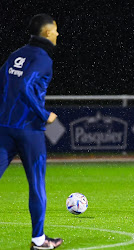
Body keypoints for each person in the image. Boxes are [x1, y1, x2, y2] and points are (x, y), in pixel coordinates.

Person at [0, 14, 63, 249]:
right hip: (29, 131)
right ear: (47, 33)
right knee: (36, 185)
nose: (57, 34)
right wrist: (44, 114)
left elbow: (3, 84)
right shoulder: (43, 58)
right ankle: (39, 240)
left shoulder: (16, 55)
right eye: (55, 29)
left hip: (4, 128)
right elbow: (25, 85)